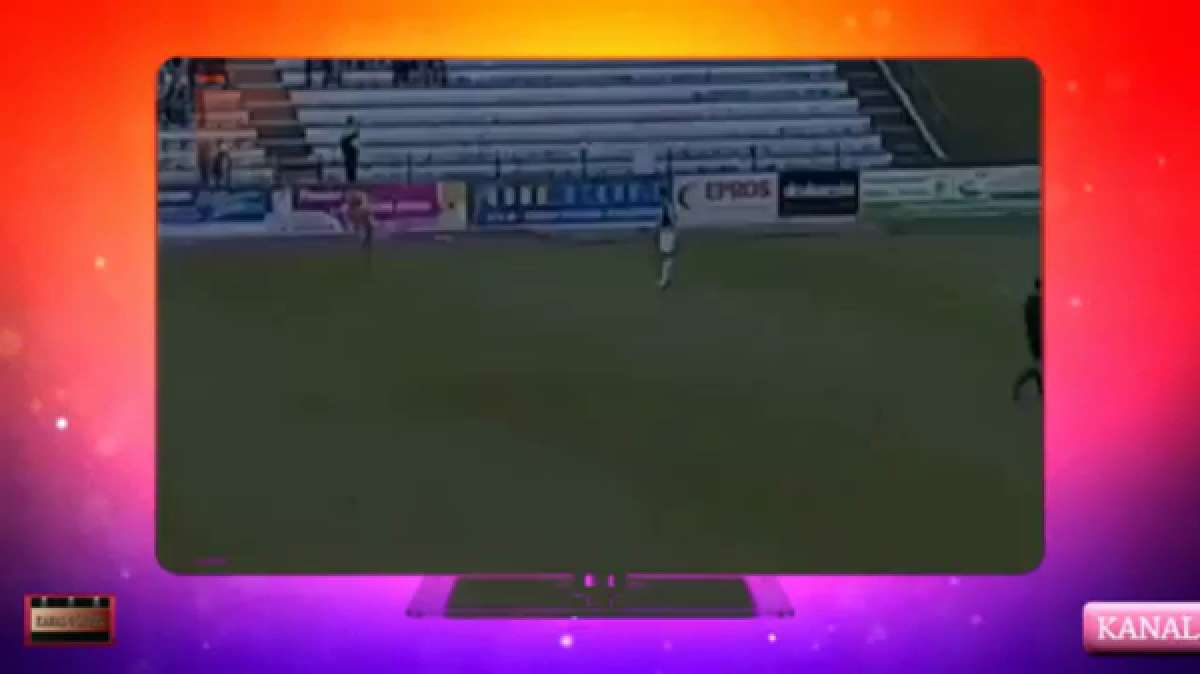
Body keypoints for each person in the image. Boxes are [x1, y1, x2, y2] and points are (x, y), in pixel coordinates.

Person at [1012, 277, 1043, 400]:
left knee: (1040, 367)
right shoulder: (1038, 303)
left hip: (1034, 341)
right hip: (1040, 341)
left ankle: (1038, 389)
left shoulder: (1030, 302)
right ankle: (1020, 387)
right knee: (1040, 368)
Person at [655, 183, 678, 291]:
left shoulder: (667, 206)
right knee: (666, 255)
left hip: (667, 232)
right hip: (665, 232)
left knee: (667, 256)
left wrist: (673, 230)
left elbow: (672, 219)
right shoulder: (666, 205)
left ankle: (665, 280)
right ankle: (666, 278)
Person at [340, 116, 360, 183]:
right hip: (350, 152)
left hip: (351, 152)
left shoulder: (347, 130)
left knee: (351, 169)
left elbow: (343, 141)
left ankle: (351, 181)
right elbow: (344, 141)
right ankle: (351, 181)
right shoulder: (347, 130)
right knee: (350, 169)